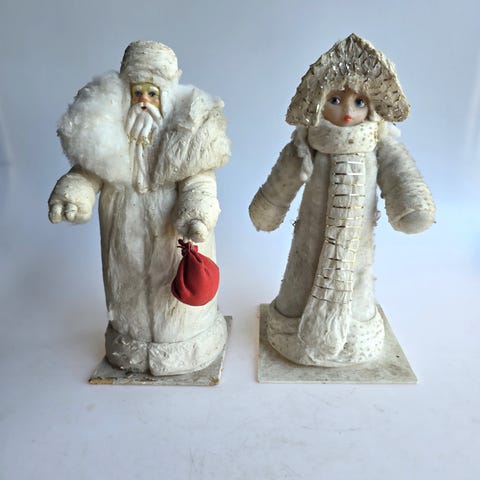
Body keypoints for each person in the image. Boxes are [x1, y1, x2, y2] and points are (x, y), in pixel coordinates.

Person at [249, 34, 435, 366]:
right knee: (302, 277)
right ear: (320, 102)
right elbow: (283, 178)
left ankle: (353, 330)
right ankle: (293, 325)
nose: (348, 112)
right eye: (336, 100)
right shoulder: (308, 144)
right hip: (311, 237)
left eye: (359, 102)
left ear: (372, 106)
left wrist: (412, 206)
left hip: (355, 247)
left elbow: (400, 173)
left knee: (357, 281)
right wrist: (267, 209)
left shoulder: (378, 144)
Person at [49, 41, 230, 376]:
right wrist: (75, 193)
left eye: (152, 93)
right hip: (123, 234)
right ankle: (130, 340)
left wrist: (197, 212)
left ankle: (187, 341)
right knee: (126, 290)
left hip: (174, 234)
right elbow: (89, 171)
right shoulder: (109, 136)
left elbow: (199, 179)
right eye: (137, 93)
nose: (144, 101)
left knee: (177, 297)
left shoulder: (187, 137)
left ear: (166, 95)